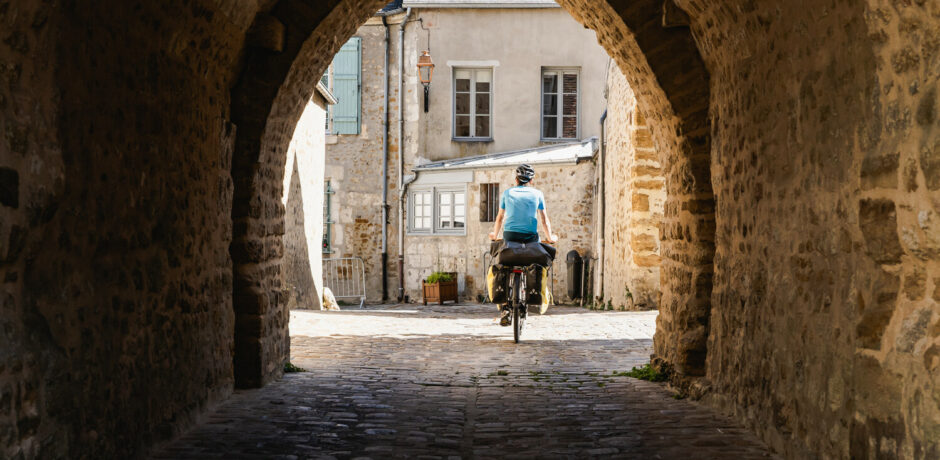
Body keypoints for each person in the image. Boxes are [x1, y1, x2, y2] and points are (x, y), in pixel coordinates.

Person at [488, 164, 558, 326]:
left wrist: (495, 235)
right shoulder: (537, 194)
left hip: (510, 237)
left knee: (504, 266)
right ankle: (531, 291)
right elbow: (544, 220)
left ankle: (505, 307)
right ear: (531, 180)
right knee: (533, 261)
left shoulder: (508, 193)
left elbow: (499, 218)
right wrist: (551, 237)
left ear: (516, 179)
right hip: (530, 239)